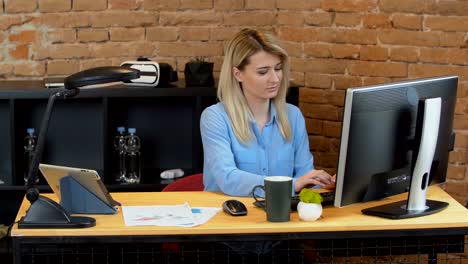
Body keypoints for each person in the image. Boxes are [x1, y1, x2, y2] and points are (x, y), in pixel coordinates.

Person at [200, 28, 335, 197]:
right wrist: (293, 185)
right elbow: (228, 178)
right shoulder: (215, 117)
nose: (275, 79)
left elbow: (304, 176)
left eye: (278, 68)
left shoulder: (293, 115)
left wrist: (319, 183)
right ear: (238, 74)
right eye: (263, 72)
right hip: (228, 216)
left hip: (280, 216)